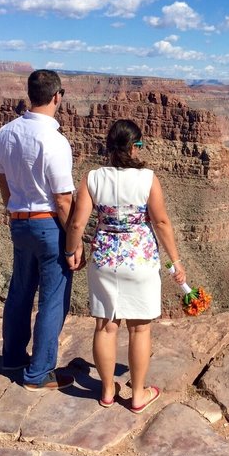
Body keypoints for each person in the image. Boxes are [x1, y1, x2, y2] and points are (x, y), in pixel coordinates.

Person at [65, 119, 186, 413]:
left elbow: (77, 222)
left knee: (106, 326)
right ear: (134, 147)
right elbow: (160, 222)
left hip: (105, 260)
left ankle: (107, 391)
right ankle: (138, 395)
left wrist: (71, 251)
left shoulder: (92, 178)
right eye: (141, 144)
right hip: (140, 262)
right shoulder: (147, 179)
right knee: (139, 330)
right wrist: (176, 261)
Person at [0, 69, 75, 391]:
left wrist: (13, 210)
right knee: (53, 298)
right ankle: (39, 373)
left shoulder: (5, 132)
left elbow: (2, 180)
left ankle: (13, 357)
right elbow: (63, 199)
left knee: (20, 291)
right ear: (57, 96)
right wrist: (74, 240)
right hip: (48, 225)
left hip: (19, 222)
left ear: (31, 95)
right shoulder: (55, 141)